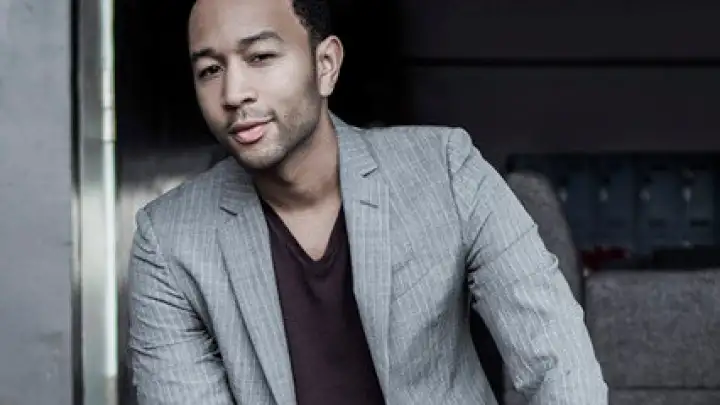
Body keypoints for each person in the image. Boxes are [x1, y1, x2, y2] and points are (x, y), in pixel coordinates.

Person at [127, 0, 608, 403]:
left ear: (325, 65)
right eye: (210, 70)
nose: (233, 93)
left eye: (261, 57)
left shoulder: (444, 169)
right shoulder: (169, 242)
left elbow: (557, 359)